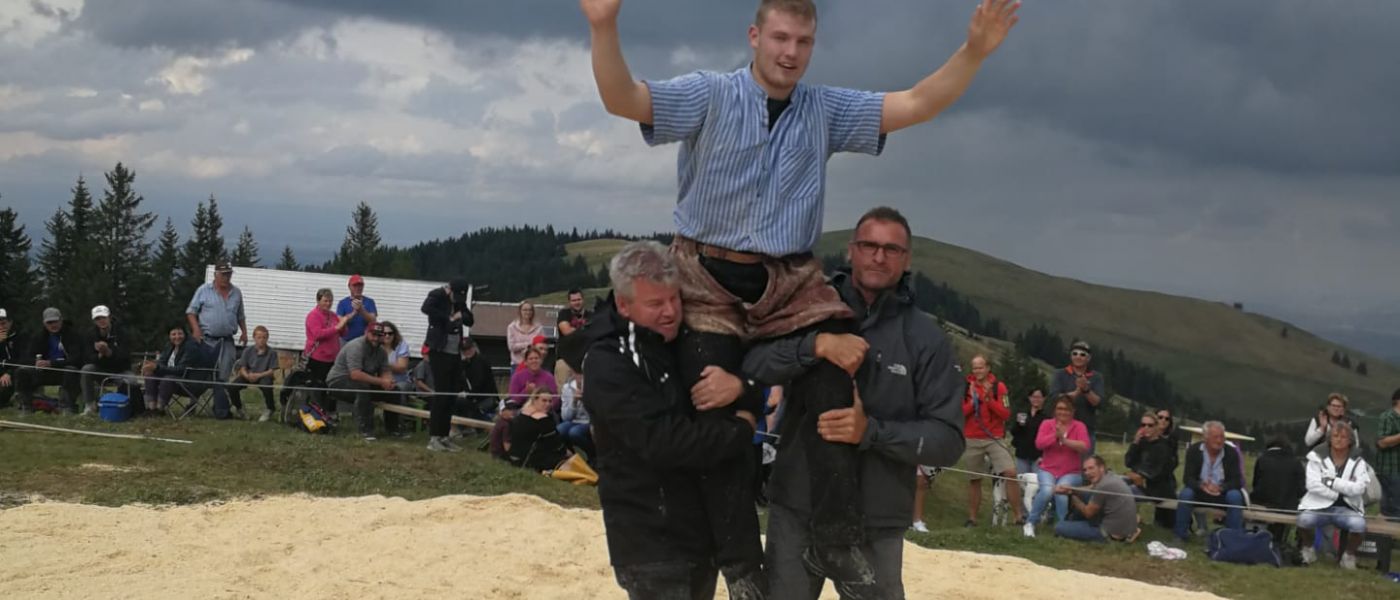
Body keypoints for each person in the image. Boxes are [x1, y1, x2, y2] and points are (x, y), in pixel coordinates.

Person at [582, 0, 1019, 585]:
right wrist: (603, 24)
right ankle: (740, 565)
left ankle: (836, 536)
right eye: (781, 38)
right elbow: (622, 99)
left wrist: (973, 52)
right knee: (717, 407)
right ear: (755, 36)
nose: (791, 53)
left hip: (788, 279)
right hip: (706, 272)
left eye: (804, 41)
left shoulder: (826, 109)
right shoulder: (710, 94)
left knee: (836, 375)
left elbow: (915, 103)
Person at [743, 207, 965, 598]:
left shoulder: (926, 339)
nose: (878, 256)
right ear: (851, 250)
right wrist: (814, 345)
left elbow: (947, 440)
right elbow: (754, 363)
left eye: (891, 249)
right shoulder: (807, 309)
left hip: (877, 517)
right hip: (797, 504)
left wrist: (871, 432)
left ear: (907, 259)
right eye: (869, 245)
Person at [580, 240, 759, 600]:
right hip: (650, 540)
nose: (670, 312)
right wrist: (742, 429)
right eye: (655, 303)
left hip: (694, 532)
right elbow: (664, 442)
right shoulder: (609, 362)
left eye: (675, 299)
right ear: (623, 305)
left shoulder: (673, 345)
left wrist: (741, 386)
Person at [1297, 422, 1372, 569]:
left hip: (1347, 508)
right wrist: (1340, 490)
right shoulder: (1316, 457)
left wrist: (1331, 482)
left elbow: (1359, 488)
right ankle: (1308, 549)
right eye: (1335, 436)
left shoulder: (1359, 461)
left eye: (1343, 437)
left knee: (1359, 525)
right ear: (1329, 438)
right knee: (1303, 520)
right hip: (1318, 506)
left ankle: (1349, 556)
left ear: (1350, 440)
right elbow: (1312, 485)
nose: (1339, 439)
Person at [958, 354, 1022, 527]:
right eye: (974, 367)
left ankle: (1018, 517)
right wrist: (974, 402)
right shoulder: (965, 387)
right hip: (972, 438)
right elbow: (960, 412)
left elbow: (1006, 414)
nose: (977, 370)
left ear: (988, 368)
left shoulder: (999, 387)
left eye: (980, 367)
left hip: (994, 438)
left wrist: (989, 400)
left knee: (1010, 473)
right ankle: (972, 518)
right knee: (974, 478)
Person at [185, 261, 248, 420]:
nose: (226, 277)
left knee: (224, 374)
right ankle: (192, 402)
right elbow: (191, 312)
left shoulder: (236, 293)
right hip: (207, 339)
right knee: (202, 372)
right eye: (223, 274)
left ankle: (219, 406)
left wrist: (244, 332)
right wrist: (196, 329)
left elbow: (240, 315)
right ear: (216, 275)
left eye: (229, 274)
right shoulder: (204, 290)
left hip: (227, 340)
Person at [1024, 395, 1090, 538]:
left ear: (1073, 411)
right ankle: (1030, 523)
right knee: (1047, 491)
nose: (1063, 412)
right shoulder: (1047, 424)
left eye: (1067, 409)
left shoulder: (1079, 426)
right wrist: (1055, 436)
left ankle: (1062, 527)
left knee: (1061, 491)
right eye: (1060, 408)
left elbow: (1084, 446)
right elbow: (1039, 444)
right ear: (1055, 410)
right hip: (1047, 469)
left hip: (1072, 472)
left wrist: (1064, 440)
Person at [422, 278, 474, 452]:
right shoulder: (436, 295)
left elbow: (470, 320)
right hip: (439, 351)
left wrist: (461, 315)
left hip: (454, 353)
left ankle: (445, 436)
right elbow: (426, 308)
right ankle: (434, 437)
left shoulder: (459, 302)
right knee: (441, 394)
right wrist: (449, 317)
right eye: (455, 296)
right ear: (449, 290)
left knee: (452, 395)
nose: (457, 300)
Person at [1174, 421, 1246, 541]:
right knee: (1186, 494)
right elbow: (1187, 478)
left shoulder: (1231, 453)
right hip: (1200, 491)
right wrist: (1201, 485)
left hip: (1222, 493)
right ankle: (1180, 535)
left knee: (1235, 496)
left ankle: (1232, 539)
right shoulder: (1194, 451)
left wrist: (1221, 488)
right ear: (1205, 438)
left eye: (1222, 437)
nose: (1219, 441)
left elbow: (1237, 481)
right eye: (1215, 437)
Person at [326, 323, 399, 441]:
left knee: (395, 392)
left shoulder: (381, 351)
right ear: (366, 333)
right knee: (363, 390)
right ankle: (365, 431)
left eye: (379, 335)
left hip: (364, 381)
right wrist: (381, 381)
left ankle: (394, 429)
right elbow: (355, 374)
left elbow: (385, 370)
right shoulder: (356, 346)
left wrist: (388, 381)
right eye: (373, 335)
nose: (376, 338)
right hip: (338, 381)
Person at [1053, 455, 1141, 543]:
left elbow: (1088, 513)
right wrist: (1071, 489)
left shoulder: (1103, 486)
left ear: (1101, 468)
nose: (1087, 472)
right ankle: (1073, 522)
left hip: (1110, 533)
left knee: (1059, 527)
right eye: (1085, 470)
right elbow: (1090, 488)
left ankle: (1073, 523)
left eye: (1091, 468)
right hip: (1123, 526)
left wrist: (1071, 494)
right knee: (1085, 495)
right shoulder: (1109, 476)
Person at [14, 307, 85, 413]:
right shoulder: (38, 336)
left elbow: (77, 359)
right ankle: (26, 406)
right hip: (43, 371)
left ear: (61, 320)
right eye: (49, 322)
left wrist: (52, 363)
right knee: (22, 371)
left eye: (55, 321)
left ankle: (66, 406)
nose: (53, 325)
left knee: (71, 370)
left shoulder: (73, 335)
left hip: (64, 370)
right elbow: (26, 358)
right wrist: (37, 362)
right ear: (44, 323)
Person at [80, 304, 139, 416]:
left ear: (109, 317)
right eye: (97, 319)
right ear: (94, 321)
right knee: (86, 369)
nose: (101, 321)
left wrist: (109, 352)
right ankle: (89, 405)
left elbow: (126, 356)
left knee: (132, 380)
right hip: (101, 369)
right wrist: (99, 355)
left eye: (103, 317)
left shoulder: (122, 332)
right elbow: (87, 357)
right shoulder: (89, 334)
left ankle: (129, 407)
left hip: (121, 370)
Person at [1048, 340, 1105, 451]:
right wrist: (1076, 393)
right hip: (1061, 428)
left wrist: (1086, 390)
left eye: (1082, 354)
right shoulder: (1060, 374)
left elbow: (1099, 403)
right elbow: (1054, 398)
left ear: (1088, 358)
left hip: (1086, 430)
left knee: (1084, 467)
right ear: (1071, 356)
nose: (1078, 357)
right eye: (1075, 353)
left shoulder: (1097, 377)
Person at [1124, 412, 1177, 528]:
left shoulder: (1163, 447)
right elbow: (1128, 462)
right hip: (1138, 481)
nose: (1146, 428)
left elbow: (1155, 472)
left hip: (1155, 488)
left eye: (1150, 425)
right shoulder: (1141, 442)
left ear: (1157, 426)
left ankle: (1127, 524)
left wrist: (1138, 474)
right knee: (1113, 483)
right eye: (1143, 425)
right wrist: (1135, 442)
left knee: (1123, 492)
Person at [1251, 435, 1305, 550]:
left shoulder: (1262, 459)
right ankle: (1278, 543)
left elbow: (1255, 484)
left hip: (1262, 504)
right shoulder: (1296, 463)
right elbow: (1301, 490)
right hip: (1287, 506)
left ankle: (1261, 540)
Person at [304, 287, 350, 413]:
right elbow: (317, 334)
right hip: (317, 358)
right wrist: (336, 328)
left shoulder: (333, 316)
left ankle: (330, 412)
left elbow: (343, 333)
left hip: (332, 358)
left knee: (331, 387)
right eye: (325, 301)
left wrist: (343, 325)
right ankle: (315, 412)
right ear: (318, 301)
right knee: (317, 387)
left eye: (330, 301)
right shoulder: (313, 316)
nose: (328, 304)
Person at [140, 325, 202, 411]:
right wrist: (151, 366)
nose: (177, 337)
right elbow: (161, 362)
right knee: (150, 375)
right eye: (173, 334)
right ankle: (151, 408)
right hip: (174, 380)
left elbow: (181, 370)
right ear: (169, 336)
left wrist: (157, 367)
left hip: (189, 382)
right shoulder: (170, 346)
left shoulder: (191, 347)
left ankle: (160, 409)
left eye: (180, 334)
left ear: (185, 334)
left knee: (168, 379)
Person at [509, 389, 569, 471]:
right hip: (530, 462)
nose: (548, 404)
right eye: (544, 401)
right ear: (535, 400)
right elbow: (557, 444)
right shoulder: (542, 418)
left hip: (514, 459)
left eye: (550, 401)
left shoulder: (522, 413)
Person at [233, 326, 279, 422]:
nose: (261, 340)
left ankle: (270, 408)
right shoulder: (247, 351)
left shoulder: (272, 352)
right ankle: (239, 408)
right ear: (254, 338)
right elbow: (242, 367)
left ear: (267, 338)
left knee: (266, 385)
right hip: (249, 374)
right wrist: (247, 375)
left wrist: (259, 375)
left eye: (264, 337)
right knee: (232, 387)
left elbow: (271, 370)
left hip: (264, 375)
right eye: (259, 337)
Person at [555, 288, 591, 387]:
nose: (577, 302)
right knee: (563, 394)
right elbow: (566, 331)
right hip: (565, 360)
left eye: (578, 299)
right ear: (569, 302)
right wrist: (586, 331)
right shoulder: (564, 314)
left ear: (583, 299)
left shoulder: (591, 315)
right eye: (573, 300)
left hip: (586, 361)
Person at [1009, 388, 1049, 476]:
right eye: (1034, 397)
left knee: (1036, 482)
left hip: (1038, 456)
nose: (1036, 399)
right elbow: (1013, 432)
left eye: (1039, 397)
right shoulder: (1023, 414)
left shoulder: (1047, 416)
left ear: (1044, 398)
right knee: (1022, 481)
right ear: (1029, 398)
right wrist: (1018, 424)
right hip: (1022, 454)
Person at [509, 346, 558, 411]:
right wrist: (526, 392)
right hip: (521, 411)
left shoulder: (549, 377)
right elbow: (513, 401)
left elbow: (555, 400)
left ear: (541, 361)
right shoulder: (517, 377)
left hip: (545, 411)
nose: (534, 361)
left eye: (536, 358)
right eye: (531, 359)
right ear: (525, 362)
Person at [460, 337, 499, 420]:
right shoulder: (466, 363)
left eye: (469, 348)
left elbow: (479, 383)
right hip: (476, 397)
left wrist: (468, 395)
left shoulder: (480, 361)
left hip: (487, 398)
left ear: (474, 347)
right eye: (464, 350)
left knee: (463, 405)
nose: (467, 351)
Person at [1376, 388, 1400, 523]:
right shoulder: (1387, 417)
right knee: (1392, 509)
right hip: (1390, 469)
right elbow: (1382, 442)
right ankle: (1388, 540)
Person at [558, 372, 593, 457]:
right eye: (577, 373)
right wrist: (574, 402)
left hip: (589, 421)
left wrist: (584, 400)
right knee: (559, 430)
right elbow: (566, 417)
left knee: (574, 432)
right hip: (574, 420)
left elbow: (595, 412)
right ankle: (572, 455)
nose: (580, 377)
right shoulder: (567, 388)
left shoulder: (593, 386)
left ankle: (592, 454)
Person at [336, 274, 378, 343]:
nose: (358, 288)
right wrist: (354, 313)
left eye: (360, 285)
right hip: (346, 341)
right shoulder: (342, 303)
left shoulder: (370, 302)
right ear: (349, 286)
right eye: (355, 285)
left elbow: (373, 321)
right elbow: (340, 322)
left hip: (364, 342)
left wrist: (362, 310)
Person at [506, 301, 541, 367]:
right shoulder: (511, 327)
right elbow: (512, 347)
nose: (528, 312)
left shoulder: (539, 328)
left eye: (530, 310)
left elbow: (540, 346)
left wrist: (520, 346)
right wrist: (529, 344)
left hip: (534, 365)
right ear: (520, 311)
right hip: (517, 365)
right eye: (525, 310)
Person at [0, 308, 19, 409]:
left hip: (14, 372)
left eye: (3, 323)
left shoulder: (19, 336)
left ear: (10, 322)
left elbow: (23, 359)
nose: (1, 327)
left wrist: (9, 373)